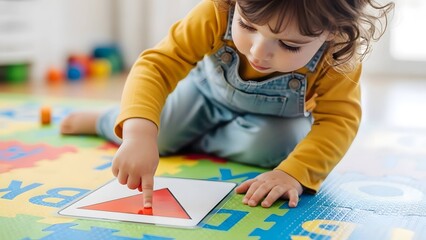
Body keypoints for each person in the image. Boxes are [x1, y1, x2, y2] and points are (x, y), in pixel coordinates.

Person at [61, 0, 394, 209]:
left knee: (281, 151)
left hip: (273, 121)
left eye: (290, 45)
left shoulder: (338, 57)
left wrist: (292, 174)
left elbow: (339, 120)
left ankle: (198, 136)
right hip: (204, 96)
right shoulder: (217, 10)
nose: (259, 51)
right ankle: (105, 120)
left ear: (334, 34)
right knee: (157, 132)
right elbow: (157, 65)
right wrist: (137, 134)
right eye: (248, 27)